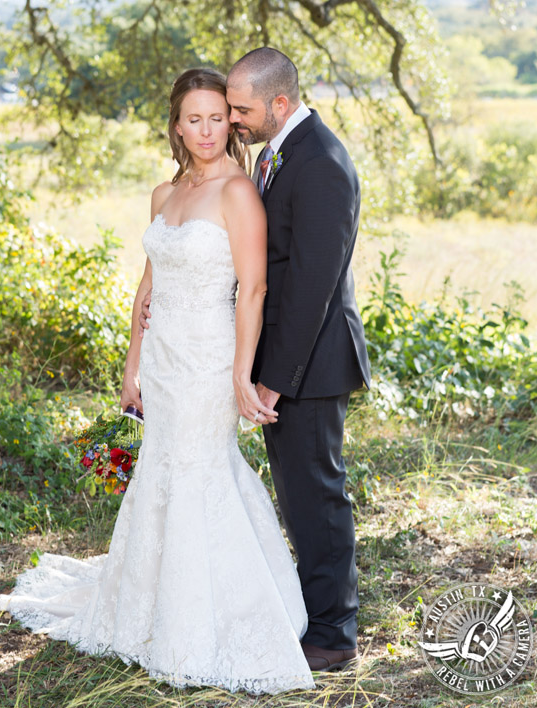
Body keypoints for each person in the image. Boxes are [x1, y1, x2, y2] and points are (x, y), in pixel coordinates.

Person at [0, 68, 314, 695]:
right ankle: (146, 607)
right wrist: (131, 367)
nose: (208, 130)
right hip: (163, 359)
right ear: (176, 125)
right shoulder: (165, 195)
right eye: (195, 119)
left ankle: (203, 621)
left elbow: (254, 290)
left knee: (199, 470)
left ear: (230, 121)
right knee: (161, 469)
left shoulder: (238, 193)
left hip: (209, 360)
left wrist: (243, 375)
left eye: (218, 117)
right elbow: (148, 285)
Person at [142, 49, 371, 672]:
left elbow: (311, 287)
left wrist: (272, 378)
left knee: (316, 495)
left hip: (311, 364)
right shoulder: (281, 154)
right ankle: (298, 608)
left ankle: (331, 633)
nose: (231, 123)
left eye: (238, 111)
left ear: (278, 103)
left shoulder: (321, 163)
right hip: (276, 361)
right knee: (295, 495)